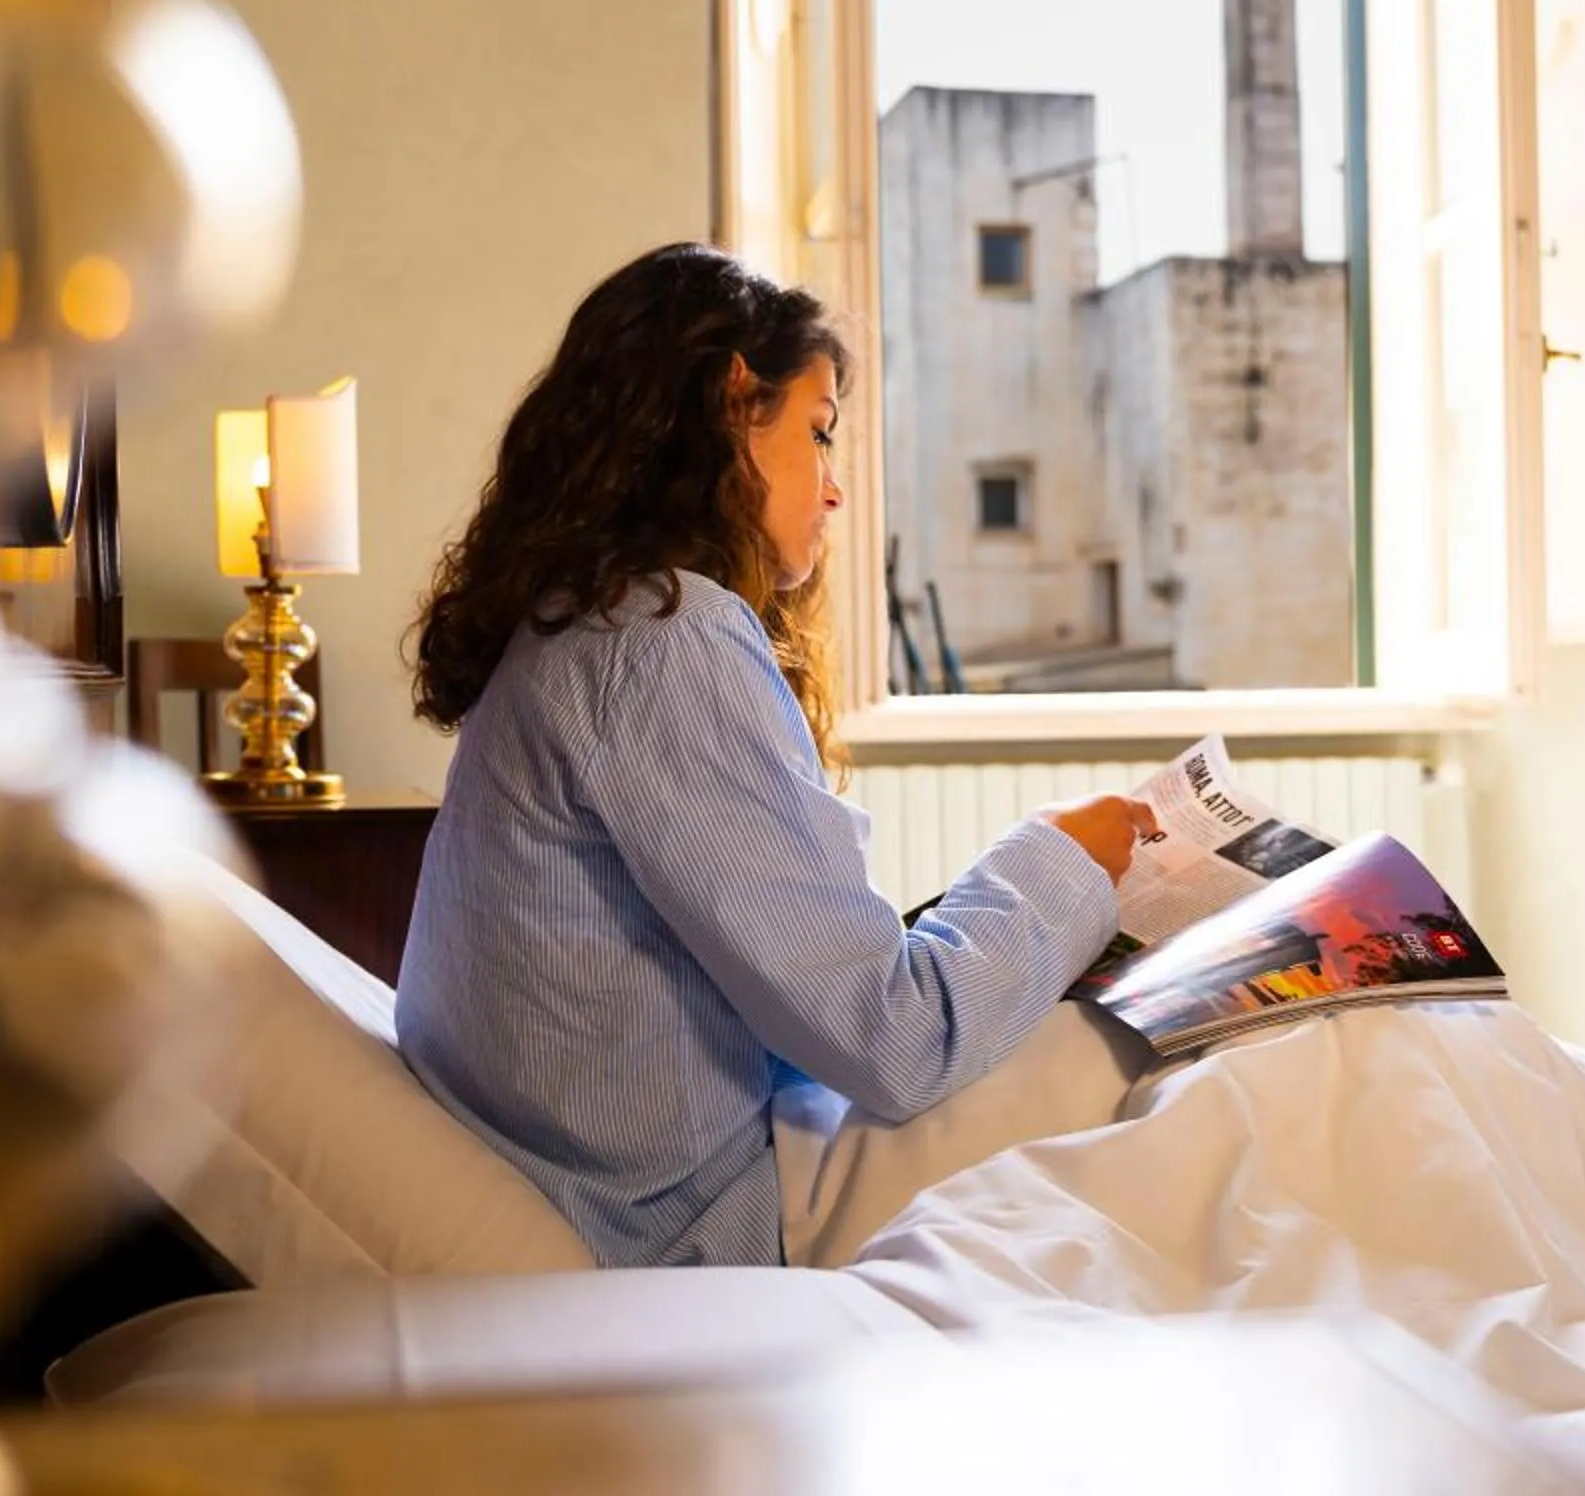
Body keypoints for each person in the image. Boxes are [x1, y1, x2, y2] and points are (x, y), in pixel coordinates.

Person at [394, 243, 1154, 1268]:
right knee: (1218, 1067)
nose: (834, 489)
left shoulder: (580, 624)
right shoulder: (661, 643)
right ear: (729, 402)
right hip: (699, 1217)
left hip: (673, 1169)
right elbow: (895, 1040)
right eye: (818, 431)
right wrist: (1061, 858)